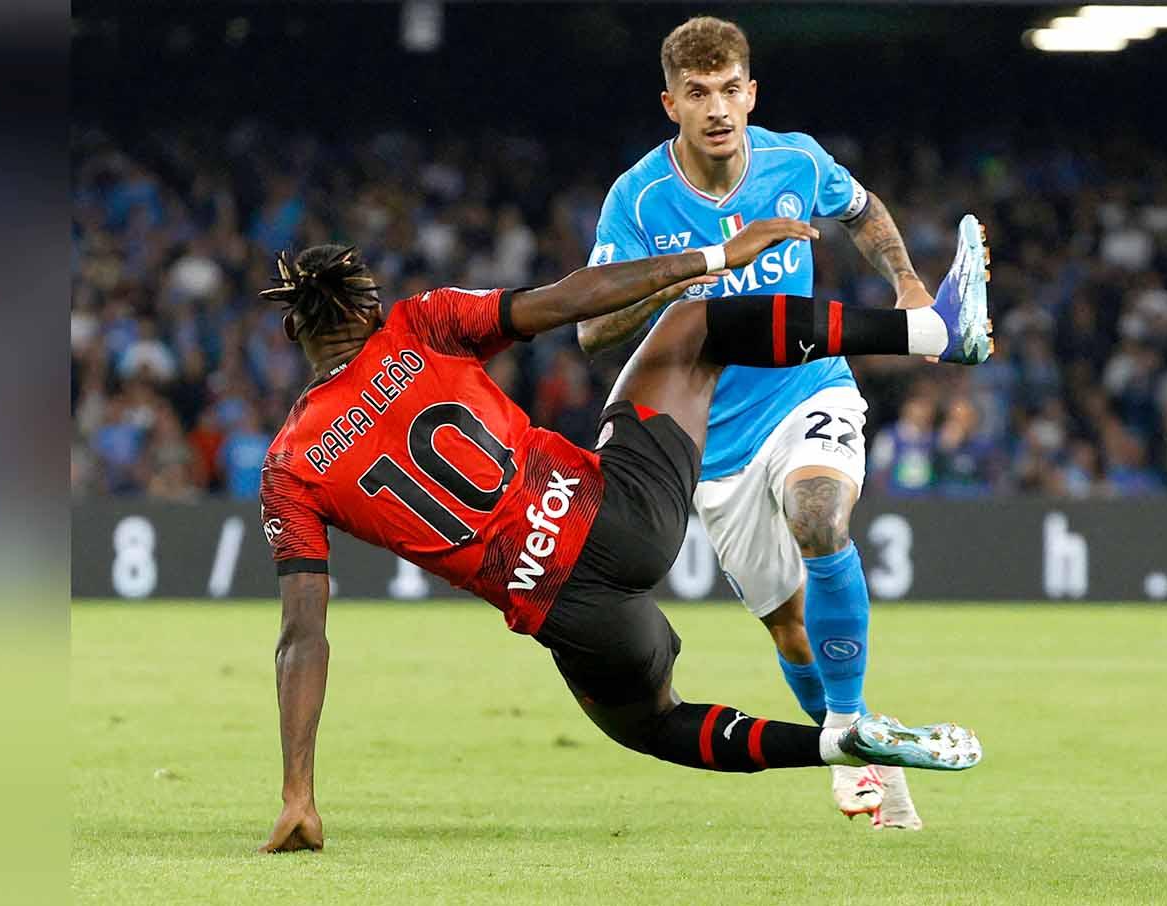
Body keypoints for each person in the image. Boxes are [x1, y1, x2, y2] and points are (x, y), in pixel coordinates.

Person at [255, 212, 994, 852]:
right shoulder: (418, 326)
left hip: (575, 617)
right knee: (693, 326)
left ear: (295, 331)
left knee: (655, 723)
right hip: (622, 511)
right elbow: (568, 300)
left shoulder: (289, 466)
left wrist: (298, 794)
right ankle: (931, 329)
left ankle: (836, 745)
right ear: (370, 307)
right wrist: (712, 260)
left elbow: (303, 637)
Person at [578, 15, 949, 828]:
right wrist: (695, 269)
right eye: (698, 93)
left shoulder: (796, 159)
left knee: (820, 516)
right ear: (670, 103)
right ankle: (857, 751)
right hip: (713, 443)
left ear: (752, 94)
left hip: (808, 391)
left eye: (729, 90)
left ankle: (853, 728)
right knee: (787, 628)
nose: (717, 108)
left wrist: (909, 284)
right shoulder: (638, 198)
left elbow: (863, 209)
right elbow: (592, 329)